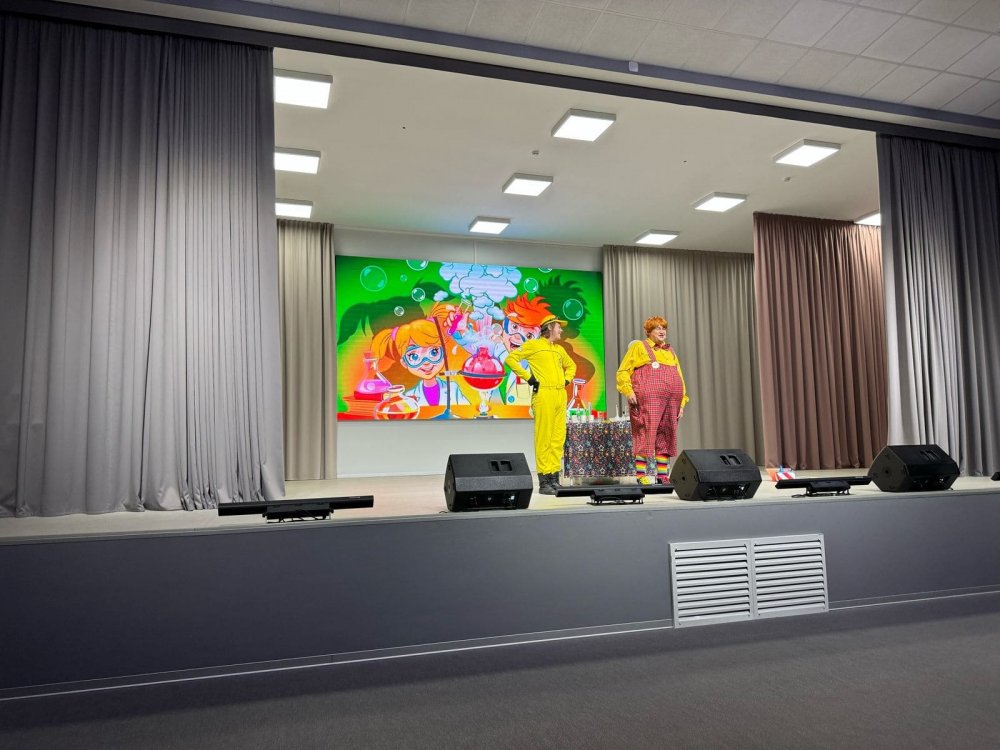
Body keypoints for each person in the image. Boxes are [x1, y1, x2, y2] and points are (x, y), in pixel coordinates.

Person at [505, 314, 576, 495]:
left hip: (560, 395)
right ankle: (544, 482)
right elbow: (510, 359)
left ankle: (554, 478)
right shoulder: (533, 345)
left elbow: (571, 366)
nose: (561, 330)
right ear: (550, 327)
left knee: (557, 438)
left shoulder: (559, 350)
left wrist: (566, 380)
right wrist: (529, 378)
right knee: (544, 438)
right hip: (543, 394)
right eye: (559, 327)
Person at [615, 316, 689, 485]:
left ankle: (662, 476)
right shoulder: (639, 347)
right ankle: (641, 475)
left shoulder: (670, 351)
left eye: (664, 328)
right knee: (645, 432)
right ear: (649, 331)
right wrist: (628, 391)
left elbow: (679, 376)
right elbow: (623, 371)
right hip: (648, 398)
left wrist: (682, 402)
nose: (662, 331)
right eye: (657, 328)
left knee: (666, 435)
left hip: (672, 400)